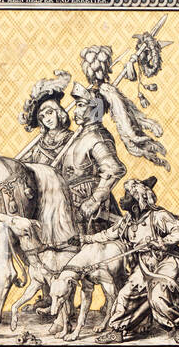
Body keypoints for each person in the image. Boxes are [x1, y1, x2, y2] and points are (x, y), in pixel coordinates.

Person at [89, 177, 179, 344]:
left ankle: (178, 328)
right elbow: (109, 234)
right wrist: (86, 239)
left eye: (126, 196)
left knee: (159, 294)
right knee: (125, 294)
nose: (121, 199)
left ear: (136, 203)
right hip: (144, 266)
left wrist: (162, 242)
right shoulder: (127, 221)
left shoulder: (158, 216)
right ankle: (117, 331)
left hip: (166, 262)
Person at [50, 82, 126, 234]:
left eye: (80, 105)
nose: (75, 111)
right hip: (71, 211)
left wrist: (94, 200)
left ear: (95, 108)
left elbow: (114, 169)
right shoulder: (79, 138)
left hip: (94, 217)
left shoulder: (98, 137)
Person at [18, 71, 73, 166]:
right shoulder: (40, 144)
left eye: (49, 112)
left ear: (59, 112)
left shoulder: (71, 139)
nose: (47, 119)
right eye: (42, 117)